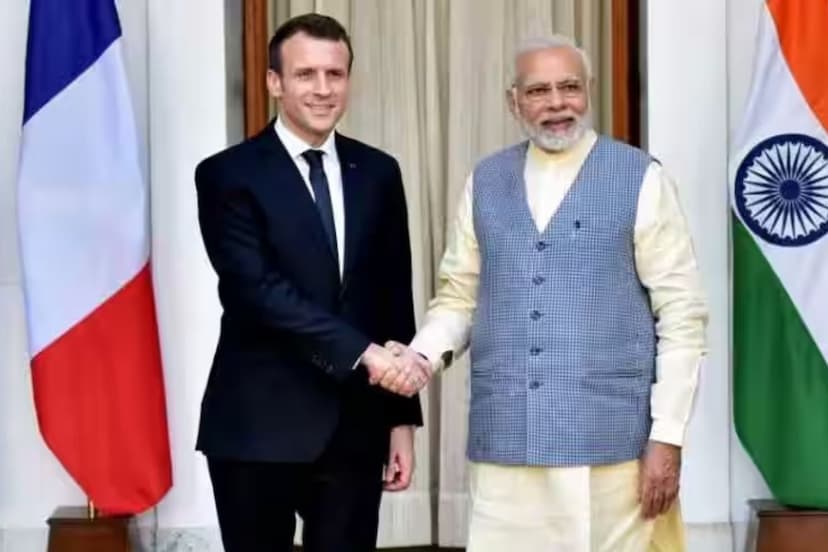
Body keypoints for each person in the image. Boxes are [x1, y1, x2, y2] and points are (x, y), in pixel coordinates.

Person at [391, 35, 709, 551]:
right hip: (507, 444)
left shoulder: (640, 178)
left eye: (569, 87)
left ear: (589, 91)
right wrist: (421, 358)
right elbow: (458, 297)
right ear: (513, 101)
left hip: (611, 448)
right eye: (539, 90)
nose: (557, 103)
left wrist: (667, 435)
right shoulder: (486, 181)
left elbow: (682, 316)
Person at [194, 13, 429, 552]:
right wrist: (364, 353)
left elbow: (394, 297)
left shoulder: (378, 172)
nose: (323, 89)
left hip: (355, 428)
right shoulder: (227, 174)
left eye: (335, 74)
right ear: (275, 82)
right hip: (257, 425)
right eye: (305, 75)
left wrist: (401, 422)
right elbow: (255, 292)